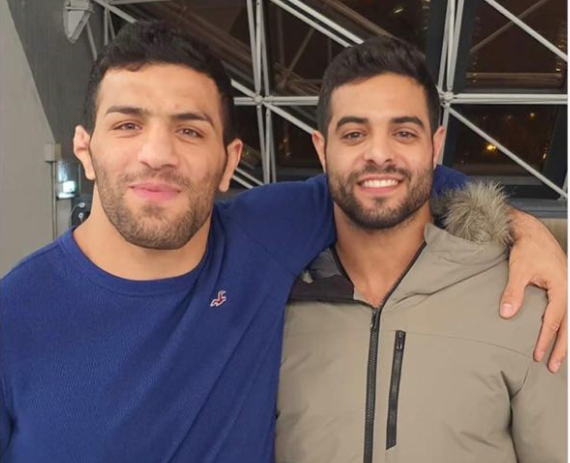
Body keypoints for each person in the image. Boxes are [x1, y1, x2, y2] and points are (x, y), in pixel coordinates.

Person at [0, 21, 565, 463]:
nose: (157, 154)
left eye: (189, 130)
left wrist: (528, 230)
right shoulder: (15, 315)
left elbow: (389, 178)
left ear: (230, 161)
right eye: (127, 125)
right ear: (84, 149)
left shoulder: (261, 237)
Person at [276, 36, 566, 463]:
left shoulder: (523, 304)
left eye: (404, 133)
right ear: (322, 150)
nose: (379, 154)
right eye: (354, 134)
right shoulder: (276, 312)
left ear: (435, 146)